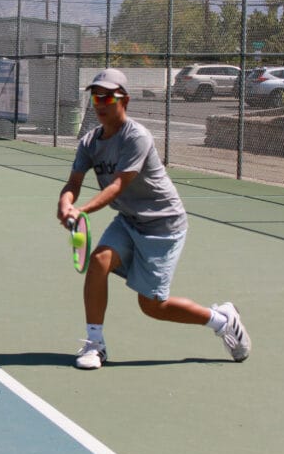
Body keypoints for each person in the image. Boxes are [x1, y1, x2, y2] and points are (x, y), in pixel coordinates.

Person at [56, 68, 250, 370]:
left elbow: (119, 184)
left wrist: (81, 211)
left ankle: (221, 320)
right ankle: (95, 344)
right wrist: (65, 203)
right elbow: (73, 184)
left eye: (109, 96)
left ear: (125, 100)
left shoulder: (137, 137)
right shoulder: (89, 142)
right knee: (98, 262)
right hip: (129, 220)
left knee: (153, 306)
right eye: (97, 96)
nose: (101, 102)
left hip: (163, 225)